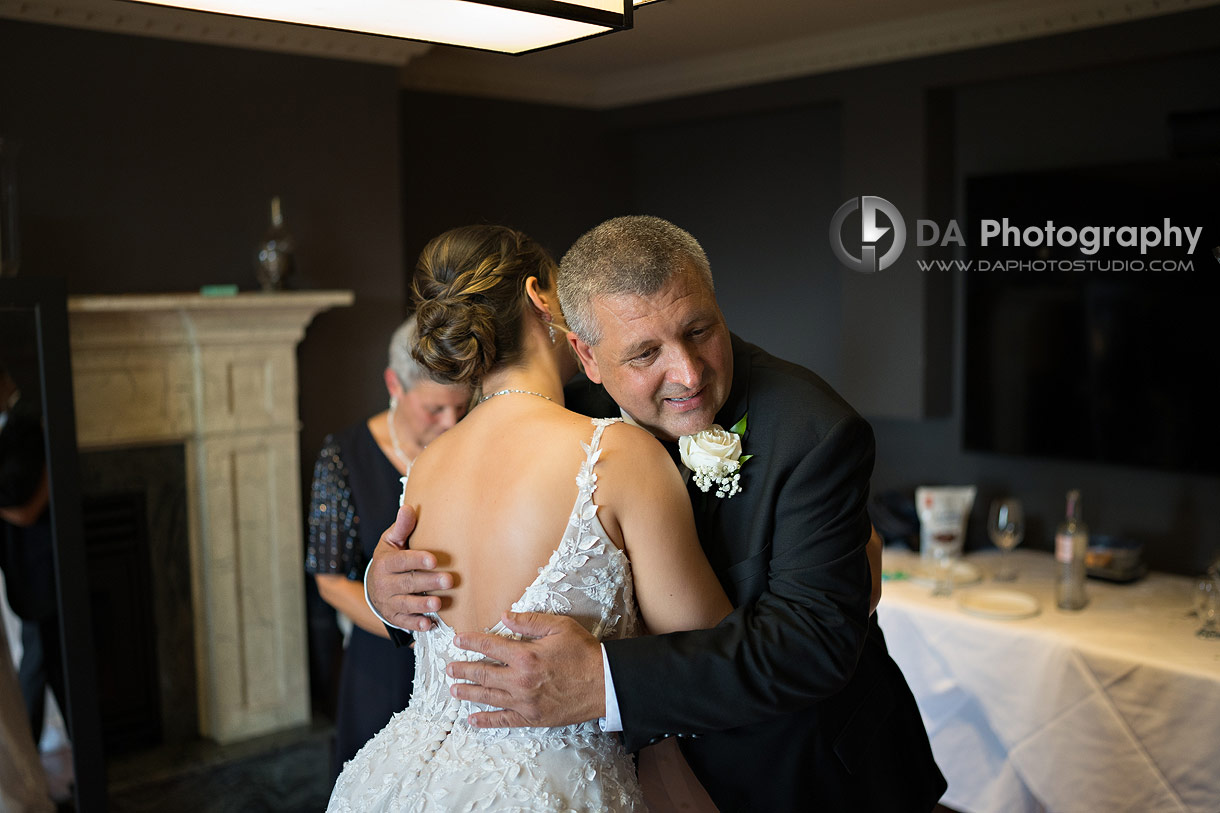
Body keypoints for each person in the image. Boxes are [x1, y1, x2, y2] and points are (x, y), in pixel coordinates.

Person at [367, 216, 946, 811]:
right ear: (586, 357)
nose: (688, 374)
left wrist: (605, 681)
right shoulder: (576, 420)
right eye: (645, 354)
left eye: (700, 330)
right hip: (642, 780)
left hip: (808, 773)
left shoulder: (814, 430)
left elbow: (813, 644)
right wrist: (383, 591)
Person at [327, 224, 732, 811]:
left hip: (397, 778)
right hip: (549, 789)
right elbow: (709, 647)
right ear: (542, 297)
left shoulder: (426, 466)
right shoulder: (612, 455)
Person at [304, 315, 471, 778]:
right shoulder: (344, 454)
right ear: (394, 384)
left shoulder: (470, 447)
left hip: (466, 664)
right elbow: (331, 580)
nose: (451, 422)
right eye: (435, 409)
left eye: (460, 407)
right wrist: (416, 633)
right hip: (382, 660)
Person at [0, 361, 65, 760]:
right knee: (39, 655)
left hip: (43, 558)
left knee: (44, 657)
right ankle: (30, 753)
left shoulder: (26, 426)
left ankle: (32, 752)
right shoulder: (19, 427)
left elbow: (30, 502)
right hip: (25, 564)